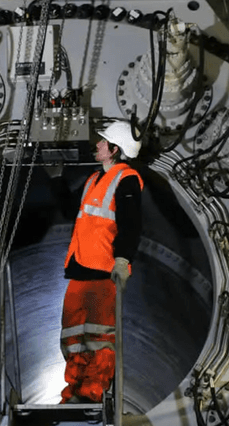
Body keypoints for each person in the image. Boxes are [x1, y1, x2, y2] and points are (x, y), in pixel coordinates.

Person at [59, 120, 143, 404]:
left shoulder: (127, 179)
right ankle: (74, 389)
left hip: (103, 269)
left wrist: (122, 260)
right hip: (80, 266)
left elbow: (131, 224)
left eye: (103, 141)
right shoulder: (95, 179)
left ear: (115, 149)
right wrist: (57, 178)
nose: (97, 144)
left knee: (98, 336)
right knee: (73, 333)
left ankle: (93, 391)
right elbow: (73, 210)